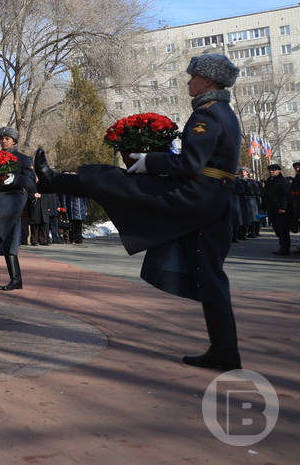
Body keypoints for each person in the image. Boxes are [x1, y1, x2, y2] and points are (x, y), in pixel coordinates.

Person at [36, 53, 244, 371]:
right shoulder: (223, 112)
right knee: (210, 275)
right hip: (213, 200)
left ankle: (52, 181)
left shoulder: (208, 115)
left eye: (193, 77)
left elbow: (190, 164)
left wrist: (148, 161)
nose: (189, 81)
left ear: (209, 81)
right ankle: (224, 351)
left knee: (117, 181)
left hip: (197, 197)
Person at [0, 127, 36, 290]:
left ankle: (16, 280)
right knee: (6, 240)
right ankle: (16, 279)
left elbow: (31, 182)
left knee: (10, 240)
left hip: (14, 199)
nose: (3, 140)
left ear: (14, 141)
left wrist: (14, 178)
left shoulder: (24, 159)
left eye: (7, 138)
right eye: (1, 138)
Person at [264, 163, 291, 256]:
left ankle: (284, 249)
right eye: (270, 170)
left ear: (279, 171)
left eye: (273, 170)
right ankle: (283, 246)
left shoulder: (283, 181)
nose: (271, 171)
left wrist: (283, 207)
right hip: (271, 209)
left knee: (283, 229)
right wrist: (263, 207)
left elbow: (285, 196)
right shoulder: (269, 181)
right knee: (276, 228)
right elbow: (265, 195)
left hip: (280, 210)